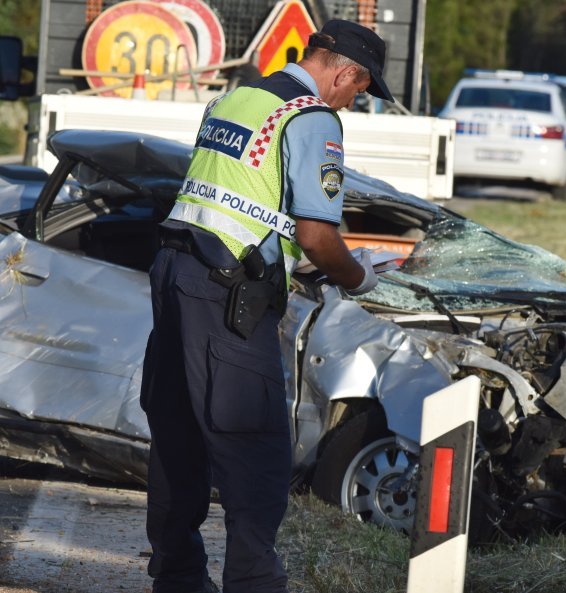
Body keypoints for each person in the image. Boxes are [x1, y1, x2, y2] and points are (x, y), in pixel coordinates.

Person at [140, 19, 394, 593]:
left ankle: (177, 579)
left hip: (177, 274)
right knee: (254, 447)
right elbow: (316, 235)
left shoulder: (238, 98)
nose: (355, 104)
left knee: (177, 437)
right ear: (347, 72)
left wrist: (287, 262)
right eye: (361, 91)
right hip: (228, 294)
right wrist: (358, 279)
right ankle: (255, 583)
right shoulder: (313, 118)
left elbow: (242, 203)